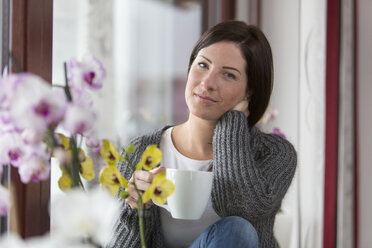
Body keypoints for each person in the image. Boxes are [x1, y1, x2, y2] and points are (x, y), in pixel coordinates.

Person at [107, 20, 297, 248]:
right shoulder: (141, 152)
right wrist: (136, 210)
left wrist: (231, 127)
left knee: (237, 229)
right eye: (203, 65)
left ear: (250, 91)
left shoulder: (273, 154)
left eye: (228, 75)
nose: (207, 83)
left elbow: (243, 210)